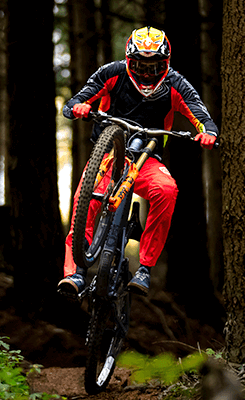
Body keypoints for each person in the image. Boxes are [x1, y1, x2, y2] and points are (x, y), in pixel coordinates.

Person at [58, 26, 218, 297]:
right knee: (85, 202)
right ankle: (76, 272)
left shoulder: (175, 83)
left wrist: (208, 132)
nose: (146, 74)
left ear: (165, 64)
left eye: (154, 67)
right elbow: (76, 100)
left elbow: (200, 113)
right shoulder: (111, 72)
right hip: (109, 155)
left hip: (148, 158)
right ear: (128, 61)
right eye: (140, 66)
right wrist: (79, 107)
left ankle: (144, 267)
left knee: (167, 191)